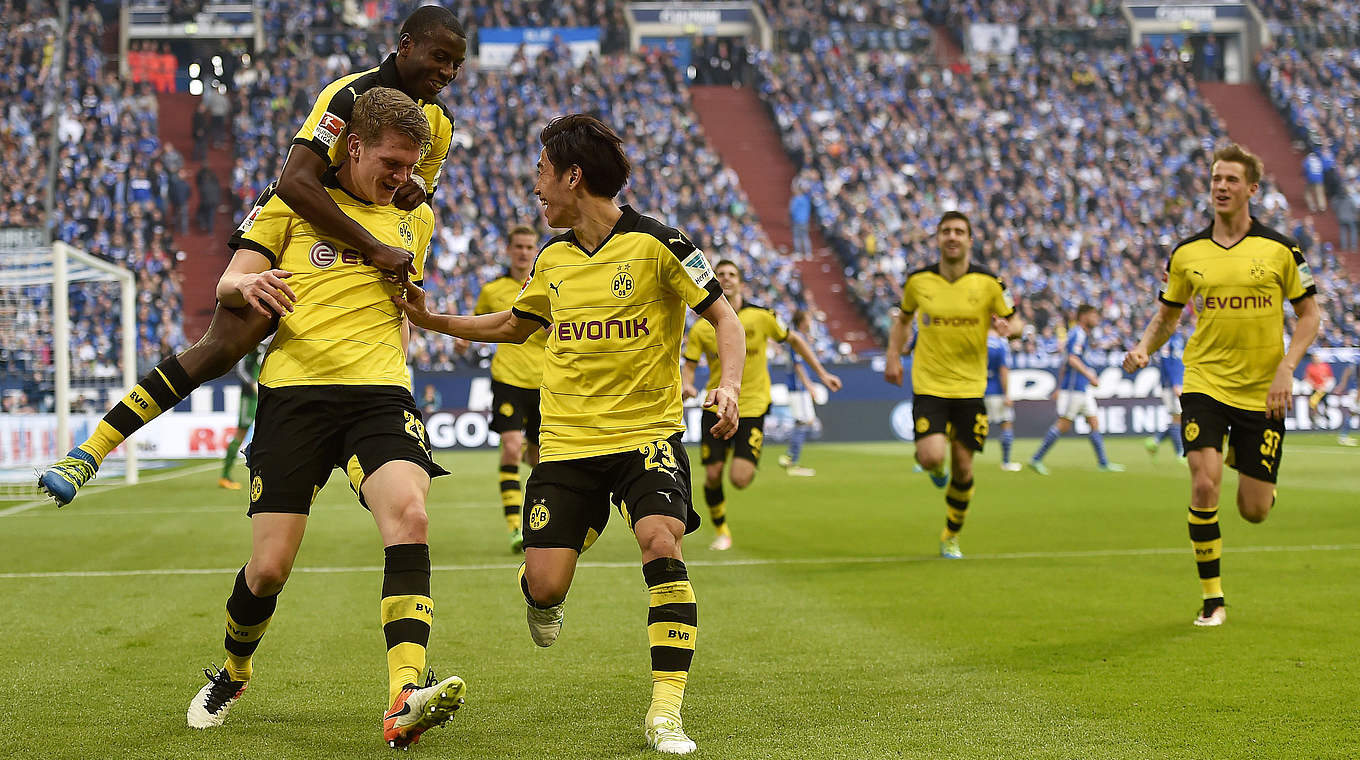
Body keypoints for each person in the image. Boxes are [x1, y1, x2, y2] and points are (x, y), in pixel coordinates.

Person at [392, 114, 744, 755]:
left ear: (573, 178)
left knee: (661, 543)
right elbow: (513, 325)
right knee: (546, 583)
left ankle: (665, 715)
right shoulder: (553, 258)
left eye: (541, 178)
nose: (536, 192)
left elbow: (725, 316)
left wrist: (730, 386)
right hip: (567, 447)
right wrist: (431, 318)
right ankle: (550, 582)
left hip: (648, 438)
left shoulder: (662, 244)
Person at [39, 6, 467, 507]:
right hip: (297, 220)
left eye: (456, 65)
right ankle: (89, 452)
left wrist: (412, 196)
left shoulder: (439, 123)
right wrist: (373, 249)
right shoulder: (347, 95)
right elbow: (295, 181)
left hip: (354, 246)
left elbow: (417, 195)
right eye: (439, 58)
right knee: (221, 347)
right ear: (406, 44)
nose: (447, 73)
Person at [182, 88, 466, 749]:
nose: (402, 177)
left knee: (412, 516)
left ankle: (404, 696)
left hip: (379, 395)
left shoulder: (413, 219)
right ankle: (232, 669)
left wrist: (401, 361)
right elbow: (230, 280)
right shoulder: (293, 203)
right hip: (295, 395)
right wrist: (246, 287)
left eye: (411, 166)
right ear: (353, 147)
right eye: (391, 163)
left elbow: (400, 305)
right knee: (270, 569)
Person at [1123, 143, 1320, 627]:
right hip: (1205, 381)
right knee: (1204, 483)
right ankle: (1213, 599)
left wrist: (1287, 367)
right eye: (1216, 179)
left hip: (1262, 390)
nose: (1222, 187)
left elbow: (1310, 317)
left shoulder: (1280, 250)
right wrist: (1145, 345)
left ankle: (1253, 472)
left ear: (1252, 189)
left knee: (1254, 510)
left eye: (1232, 180)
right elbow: (1167, 316)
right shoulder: (1188, 253)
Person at [884, 211, 1019, 559]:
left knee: (964, 468)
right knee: (930, 456)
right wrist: (893, 357)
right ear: (939, 239)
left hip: (972, 388)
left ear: (970, 240)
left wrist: (1009, 329)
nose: (953, 237)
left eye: (959, 231)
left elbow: (1015, 321)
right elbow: (902, 321)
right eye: (946, 231)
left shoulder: (989, 283)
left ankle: (950, 535)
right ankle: (935, 467)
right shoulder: (919, 281)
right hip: (929, 384)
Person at [682, 262, 842, 550]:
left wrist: (822, 373)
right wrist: (687, 383)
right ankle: (722, 531)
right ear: (714, 281)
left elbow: (794, 340)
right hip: (715, 405)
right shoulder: (702, 326)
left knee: (740, 478)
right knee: (714, 474)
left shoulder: (762, 316)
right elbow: (690, 365)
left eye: (733, 274)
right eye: (722, 274)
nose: (727, 279)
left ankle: (745, 456)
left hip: (752, 407)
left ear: (741, 282)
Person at [472, 224, 546, 552]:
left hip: (546, 384)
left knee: (538, 458)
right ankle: (517, 527)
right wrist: (463, 343)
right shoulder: (493, 290)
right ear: (508, 250)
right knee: (512, 448)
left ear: (536, 251)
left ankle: (545, 516)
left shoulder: (548, 288)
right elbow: (476, 323)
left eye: (529, 247)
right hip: (508, 380)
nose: (523, 252)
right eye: (518, 246)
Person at [1028, 305, 1125, 475]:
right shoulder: (1078, 333)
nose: (1096, 319)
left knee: (1094, 422)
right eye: (1093, 315)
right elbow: (1072, 359)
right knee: (1063, 425)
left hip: (1081, 388)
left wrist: (1059, 386)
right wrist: (1090, 375)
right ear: (1084, 316)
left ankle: (1103, 463)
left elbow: (1065, 363)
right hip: (1073, 388)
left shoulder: (1082, 334)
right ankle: (1036, 459)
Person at [777, 309, 821, 477]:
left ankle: (791, 458)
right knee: (803, 422)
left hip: (798, 388)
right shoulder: (797, 339)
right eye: (808, 318)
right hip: (798, 387)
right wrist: (809, 385)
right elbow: (798, 365)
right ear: (803, 321)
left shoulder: (798, 338)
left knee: (804, 422)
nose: (810, 322)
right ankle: (791, 459)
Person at [218, 342, 265, 490]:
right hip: (249, 397)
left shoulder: (265, 345)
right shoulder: (251, 345)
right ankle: (225, 476)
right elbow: (241, 369)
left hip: (263, 394)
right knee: (241, 433)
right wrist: (253, 385)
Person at [1145, 325, 1187, 459]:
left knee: (1178, 418)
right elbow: (1167, 364)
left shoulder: (1178, 338)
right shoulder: (1166, 341)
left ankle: (1155, 441)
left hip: (1178, 383)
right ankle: (1180, 452)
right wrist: (1175, 383)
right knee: (1178, 418)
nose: (1178, 322)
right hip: (1170, 386)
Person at [984, 325, 1021, 471]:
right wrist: (1007, 394)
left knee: (970, 427)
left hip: (977, 390)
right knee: (1006, 423)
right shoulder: (1001, 345)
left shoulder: (978, 341)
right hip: (996, 391)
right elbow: (1003, 371)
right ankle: (1006, 462)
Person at [1303, 352, 1335, 429]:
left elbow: (1330, 378)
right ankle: (1315, 422)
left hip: (1323, 390)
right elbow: (1307, 378)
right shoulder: (1310, 367)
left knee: (1325, 406)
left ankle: (1327, 421)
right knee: (1313, 405)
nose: (1315, 359)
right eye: (1314, 358)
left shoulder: (1325, 366)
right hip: (1315, 390)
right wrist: (1314, 386)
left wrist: (1324, 386)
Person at [1336, 356, 1360, 446]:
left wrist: (1342, 384)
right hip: (1356, 393)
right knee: (1351, 413)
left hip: (1355, 391)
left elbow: (1347, 371)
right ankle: (1343, 437)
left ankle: (1343, 436)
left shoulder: (1356, 360)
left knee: (1351, 413)